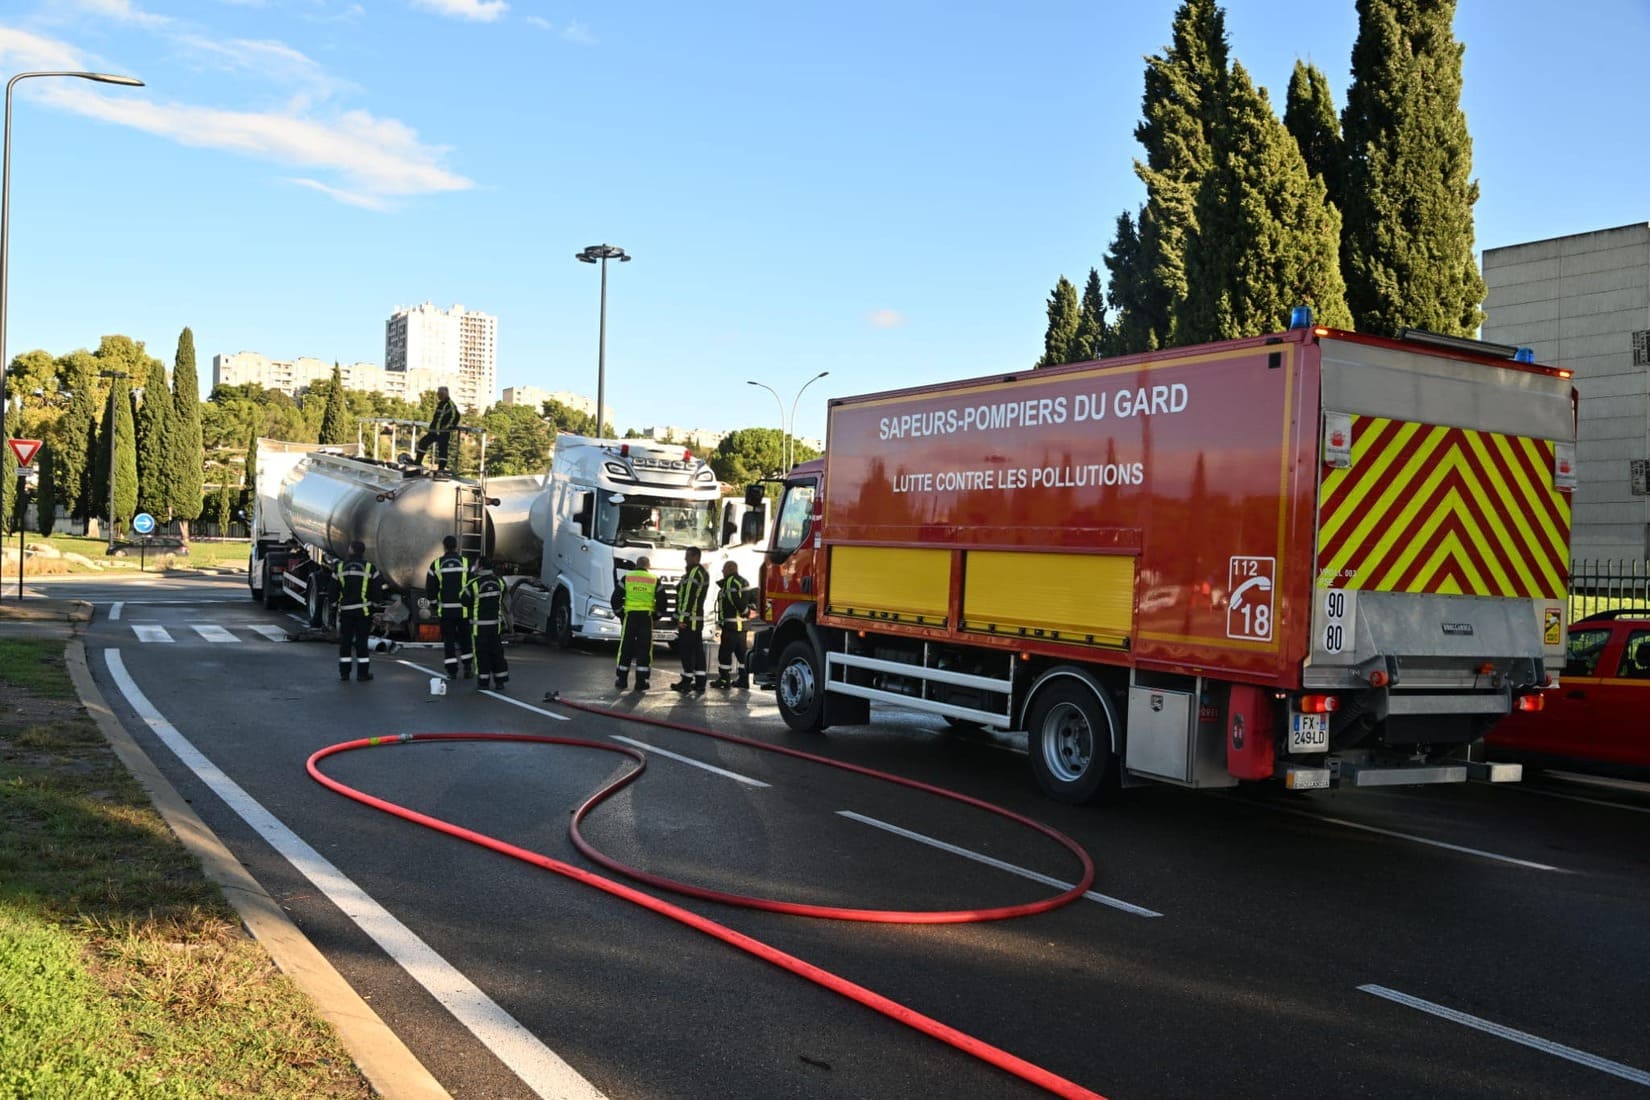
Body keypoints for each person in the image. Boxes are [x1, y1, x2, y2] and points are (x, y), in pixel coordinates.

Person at [334, 540, 383, 682]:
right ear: (362, 552)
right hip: (364, 613)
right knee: (362, 643)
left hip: (346, 613)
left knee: (346, 642)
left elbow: (333, 590)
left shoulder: (340, 567)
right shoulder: (370, 568)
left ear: (350, 550)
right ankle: (362, 674)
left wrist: (333, 606)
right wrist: (375, 606)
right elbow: (377, 590)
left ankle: (344, 673)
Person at [425, 534, 472, 679]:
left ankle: (452, 671)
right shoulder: (466, 563)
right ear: (456, 546)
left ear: (444, 547)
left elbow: (430, 589)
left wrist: (434, 605)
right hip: (463, 611)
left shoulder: (436, 564)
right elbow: (473, 585)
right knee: (465, 640)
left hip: (445, 611)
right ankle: (468, 668)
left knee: (449, 641)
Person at [612, 555, 659, 691]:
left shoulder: (627, 578)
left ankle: (622, 680)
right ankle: (641, 681)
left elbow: (615, 598)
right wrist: (656, 616)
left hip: (630, 617)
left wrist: (621, 613)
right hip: (646, 618)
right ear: (648, 566)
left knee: (625, 647)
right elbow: (662, 600)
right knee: (645, 649)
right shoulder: (654, 579)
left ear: (636, 565)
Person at [463, 557, 509, 692]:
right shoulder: (500, 582)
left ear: (481, 567)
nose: (475, 566)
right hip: (495, 626)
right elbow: (504, 597)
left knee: (481, 655)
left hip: (479, 627)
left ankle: (483, 682)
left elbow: (464, 600)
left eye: (476, 564)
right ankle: (500, 681)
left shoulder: (473, 584)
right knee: (497, 653)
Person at [669, 547, 710, 696]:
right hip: (694, 620)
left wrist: (681, 619)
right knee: (697, 651)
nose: (685, 559)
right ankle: (700, 682)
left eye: (688, 556)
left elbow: (688, 598)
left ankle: (686, 682)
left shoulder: (694, 573)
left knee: (687, 651)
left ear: (696, 557)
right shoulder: (699, 573)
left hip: (689, 621)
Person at [713, 559, 751, 690]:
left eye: (724, 569)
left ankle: (724, 679)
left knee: (724, 653)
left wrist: (744, 611)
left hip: (731, 626)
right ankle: (743, 680)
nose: (722, 572)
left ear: (730, 569)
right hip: (741, 627)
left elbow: (733, 598)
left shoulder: (730, 582)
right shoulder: (743, 581)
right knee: (742, 655)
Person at [414, 386, 461, 470]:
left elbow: (456, 416)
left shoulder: (450, 404)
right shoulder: (441, 404)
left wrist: (447, 427)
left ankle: (441, 469)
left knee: (442, 450)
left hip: (443, 433)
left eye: (440, 394)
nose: (438, 395)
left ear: (445, 393)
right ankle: (417, 462)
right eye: (438, 394)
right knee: (423, 442)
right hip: (434, 432)